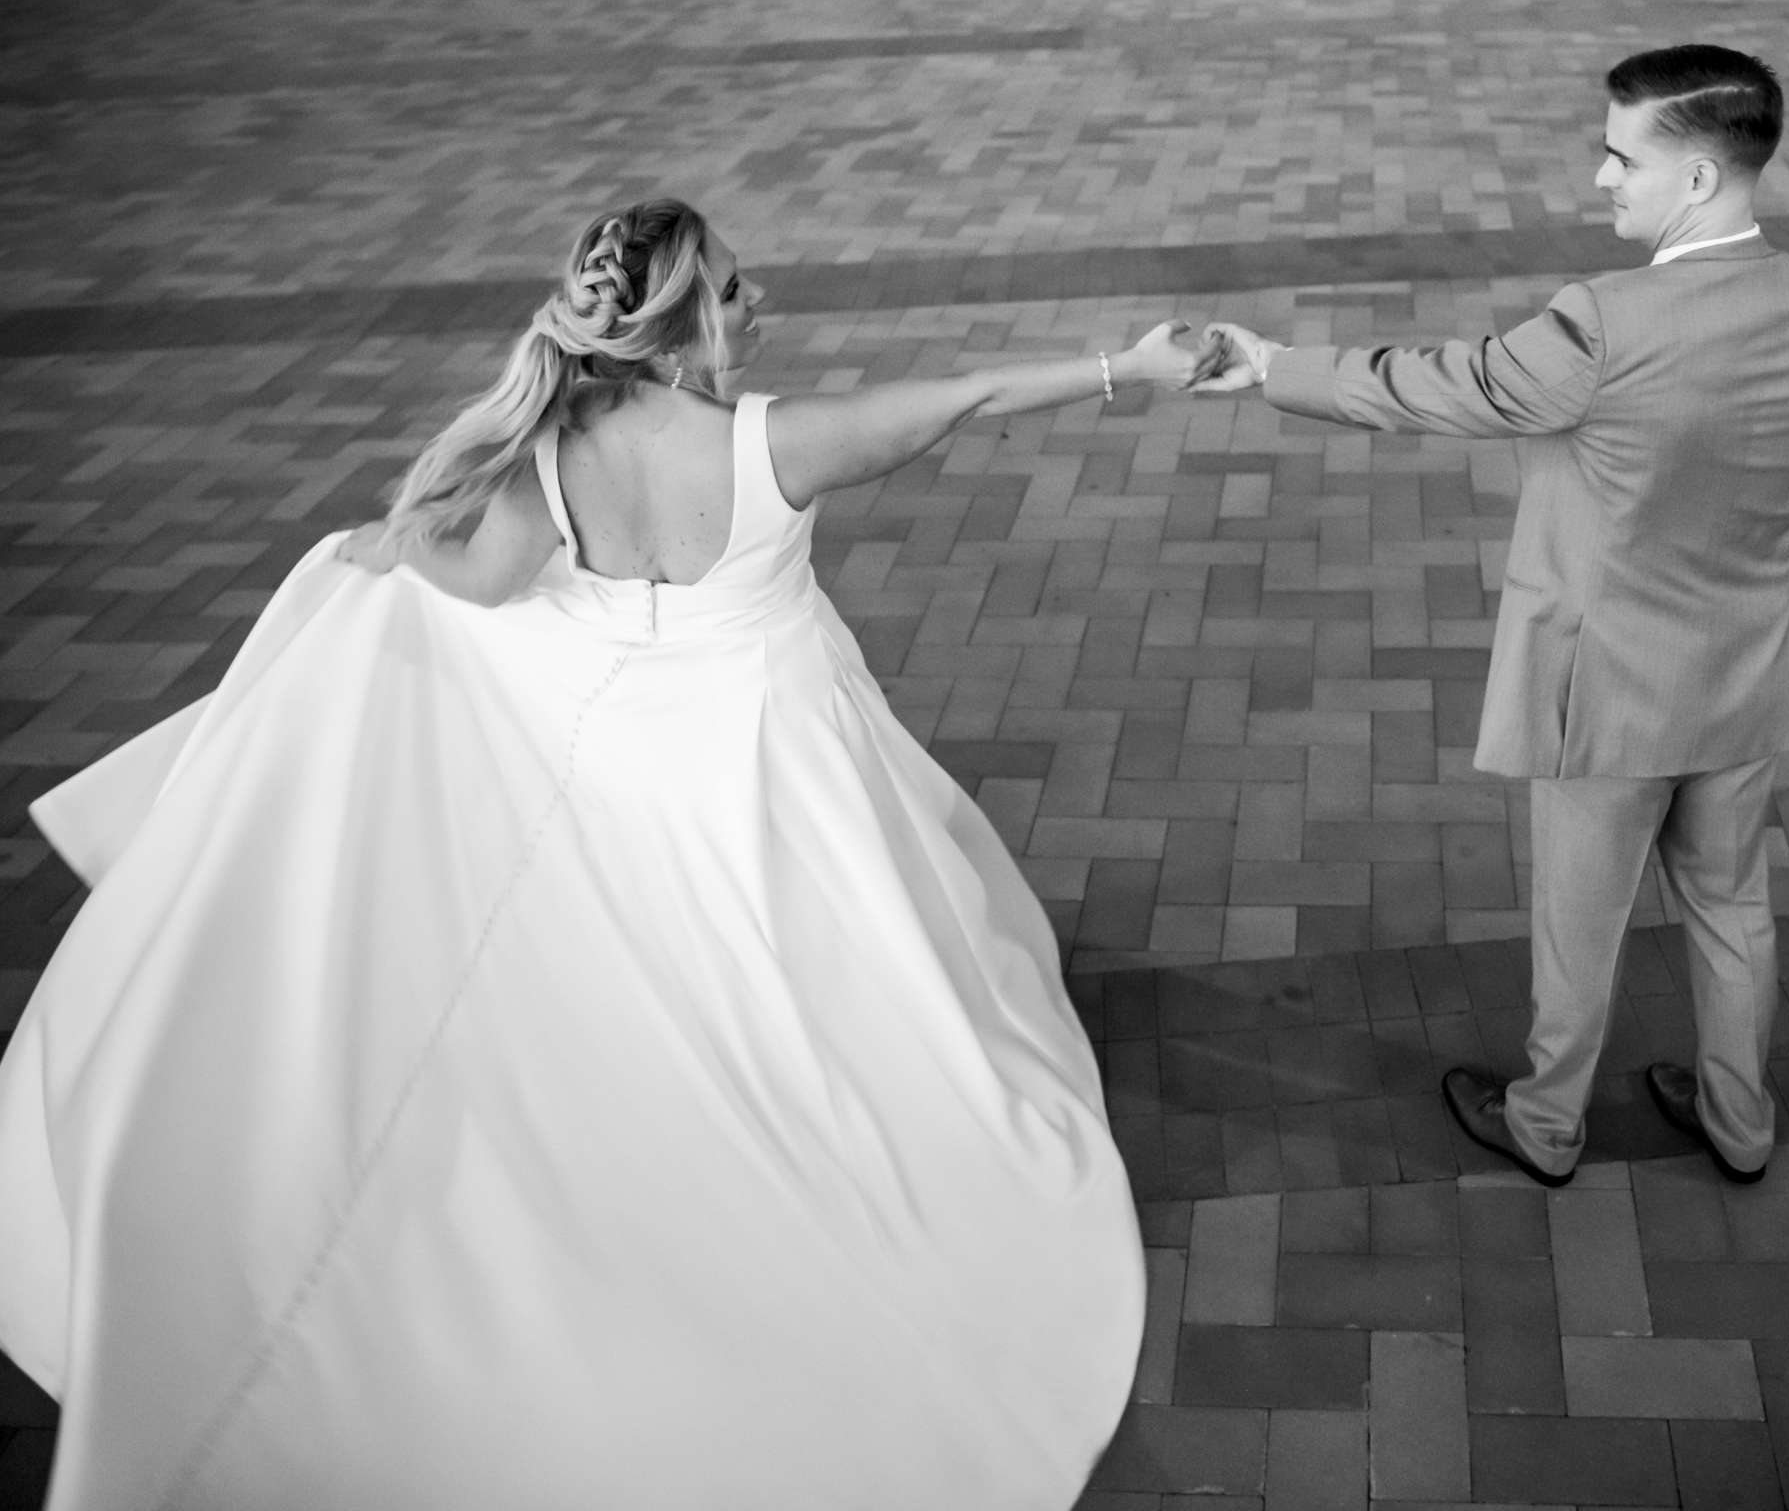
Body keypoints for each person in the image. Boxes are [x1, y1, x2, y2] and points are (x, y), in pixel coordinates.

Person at [0, 197, 1203, 1509]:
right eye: (737, 293)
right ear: (682, 321)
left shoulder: (550, 454)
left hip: (632, 764)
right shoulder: (768, 443)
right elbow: (964, 397)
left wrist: (387, 547)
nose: (759, 308)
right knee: (847, 979)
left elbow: (479, 588)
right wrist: (1127, 365)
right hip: (769, 766)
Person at [1196, 45, 1789, 1187]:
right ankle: (1740, 1119)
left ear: (1697, 176)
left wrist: (1271, 368)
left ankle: (1548, 1123)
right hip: (1745, 667)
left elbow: (1440, 386)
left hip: (1606, 690)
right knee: (1732, 907)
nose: (1600, 177)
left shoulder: (1606, 321)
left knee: (1579, 923)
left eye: (1619, 155)